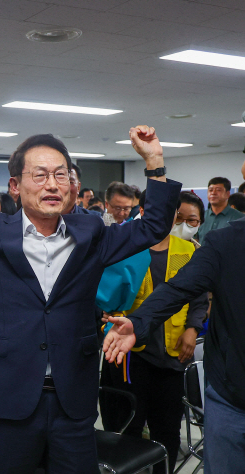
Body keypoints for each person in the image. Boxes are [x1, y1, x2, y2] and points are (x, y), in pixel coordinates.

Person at [0, 126, 181, 473]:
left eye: (61, 175)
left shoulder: (91, 234)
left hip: (73, 402)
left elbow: (154, 226)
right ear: (15, 186)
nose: (52, 184)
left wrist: (154, 160)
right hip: (6, 401)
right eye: (39, 175)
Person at [103, 186, 245, 472]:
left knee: (166, 424)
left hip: (172, 355)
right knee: (134, 419)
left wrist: (192, 328)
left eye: (191, 220)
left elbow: (194, 299)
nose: (182, 225)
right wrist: (137, 323)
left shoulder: (188, 248)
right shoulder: (226, 242)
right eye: (177, 217)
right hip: (228, 390)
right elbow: (178, 289)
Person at [197, 177, 242, 244]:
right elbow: (195, 240)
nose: (213, 193)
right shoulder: (200, 216)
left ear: (227, 194)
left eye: (218, 190)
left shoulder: (239, 218)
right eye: (210, 190)